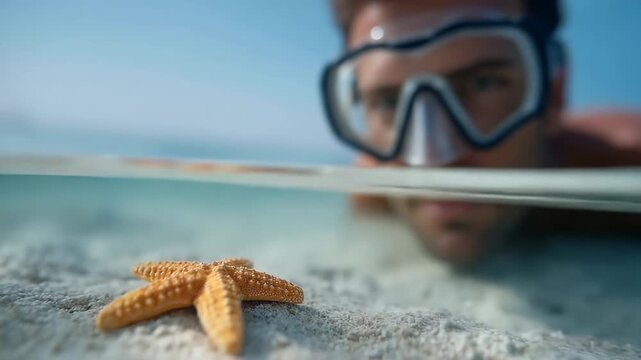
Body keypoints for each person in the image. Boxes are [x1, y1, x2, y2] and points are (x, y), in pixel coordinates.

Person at [320, 0, 641, 264]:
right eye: (389, 101)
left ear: (553, 94)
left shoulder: (628, 169)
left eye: (482, 84)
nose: (432, 157)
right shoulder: (372, 194)